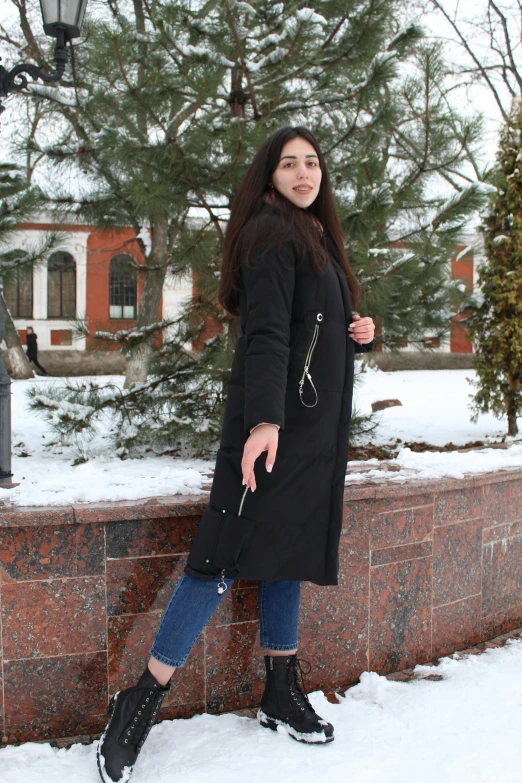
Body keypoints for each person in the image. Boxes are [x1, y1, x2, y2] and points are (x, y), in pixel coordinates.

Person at [97, 126, 375, 783]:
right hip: (270, 430)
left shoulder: (313, 237)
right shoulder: (272, 233)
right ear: (269, 173)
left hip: (303, 434)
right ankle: (139, 701)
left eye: (313, 162)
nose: (305, 172)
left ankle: (280, 686)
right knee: (220, 556)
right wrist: (264, 424)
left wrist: (357, 332)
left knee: (287, 552)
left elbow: (310, 327)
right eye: (289, 163)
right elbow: (268, 335)